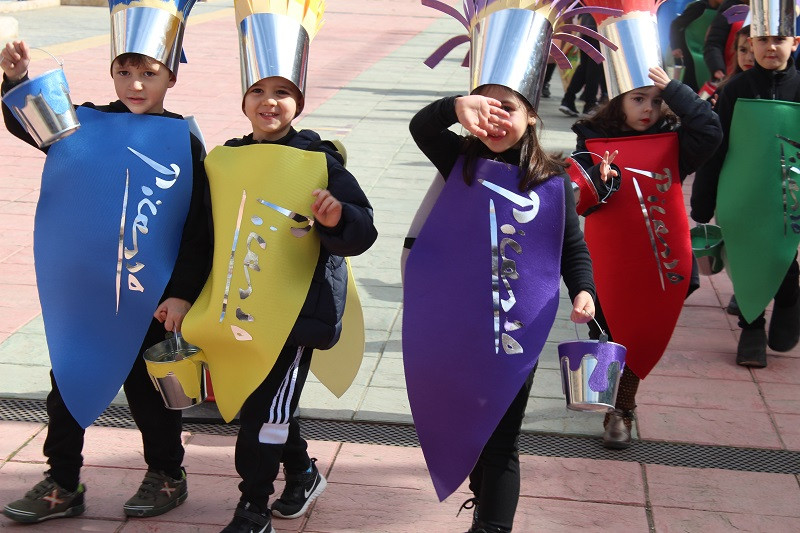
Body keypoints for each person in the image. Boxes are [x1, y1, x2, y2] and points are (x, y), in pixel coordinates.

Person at [0, 0, 211, 522]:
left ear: (171, 77)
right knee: (68, 384)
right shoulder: (84, 123)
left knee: (150, 393)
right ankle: (61, 482)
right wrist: (16, 78)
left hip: (149, 294)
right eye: (125, 72)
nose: (135, 84)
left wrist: (181, 291)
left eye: (148, 73)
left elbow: (198, 225)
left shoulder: (184, 140)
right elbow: (30, 124)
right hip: (90, 291)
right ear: (112, 74)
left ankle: (167, 472)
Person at [691, 2, 800, 367]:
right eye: (762, 39)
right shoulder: (735, 89)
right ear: (750, 44)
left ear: (795, 42)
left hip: (789, 196)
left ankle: (787, 302)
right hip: (741, 195)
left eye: (779, 39)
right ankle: (751, 327)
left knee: (784, 258)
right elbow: (717, 147)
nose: (771, 47)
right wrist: (703, 203)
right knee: (745, 260)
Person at [670, 0, 722, 90]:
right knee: (690, 82)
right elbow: (676, 25)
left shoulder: (723, 9)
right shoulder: (699, 7)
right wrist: (675, 46)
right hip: (689, 51)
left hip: (706, 53)